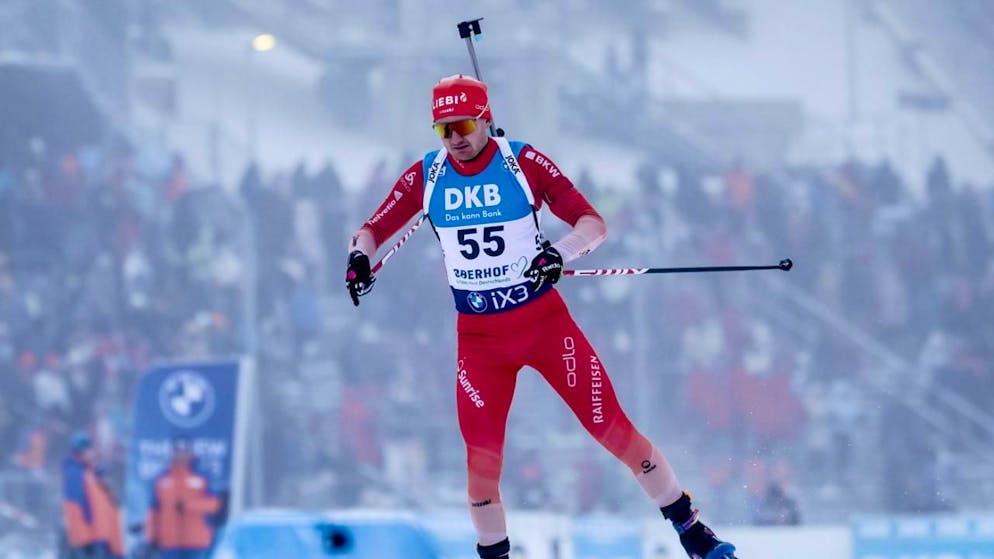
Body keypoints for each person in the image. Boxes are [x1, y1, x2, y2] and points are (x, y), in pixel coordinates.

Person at [345, 74, 737, 559]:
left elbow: (592, 223)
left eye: (464, 124)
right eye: (443, 129)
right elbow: (370, 229)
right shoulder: (427, 175)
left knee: (612, 430)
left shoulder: (521, 161)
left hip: (542, 325)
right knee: (481, 468)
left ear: (486, 119)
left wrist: (559, 253)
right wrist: (359, 259)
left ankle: (694, 533)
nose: (455, 139)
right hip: (480, 339)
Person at [144, 438, 221, 559]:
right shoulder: (161, 479)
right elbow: (154, 511)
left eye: (185, 451)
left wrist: (189, 506)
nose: (181, 455)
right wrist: (152, 537)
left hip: (197, 541)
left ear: (191, 453)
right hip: (170, 542)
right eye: (178, 451)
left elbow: (214, 504)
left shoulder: (202, 477)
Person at [61, 431, 124, 558]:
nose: (92, 452)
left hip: (107, 540)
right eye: (88, 449)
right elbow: (73, 508)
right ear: (80, 451)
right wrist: (83, 540)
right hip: (93, 542)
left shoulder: (92, 473)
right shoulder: (75, 473)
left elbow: (108, 506)